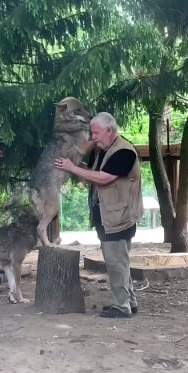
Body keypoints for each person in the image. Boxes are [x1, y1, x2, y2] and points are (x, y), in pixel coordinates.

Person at [54, 112, 144, 318]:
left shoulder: (124, 152)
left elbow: (103, 178)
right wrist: (77, 166)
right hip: (107, 215)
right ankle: (129, 301)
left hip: (118, 217)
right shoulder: (104, 149)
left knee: (116, 262)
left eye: (96, 133)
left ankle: (121, 307)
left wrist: (73, 168)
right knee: (120, 261)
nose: (93, 137)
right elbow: (94, 172)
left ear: (110, 130)